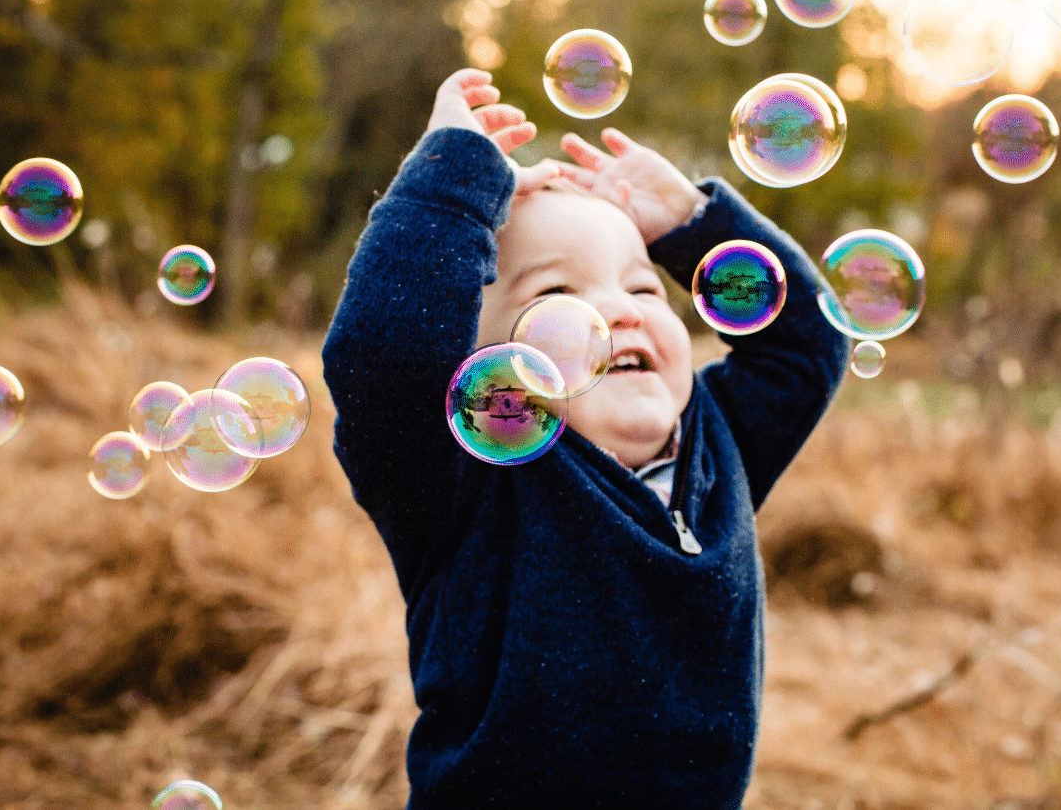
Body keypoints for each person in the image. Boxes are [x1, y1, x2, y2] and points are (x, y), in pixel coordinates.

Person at [321, 68, 849, 809]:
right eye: (556, 295)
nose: (620, 313)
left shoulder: (718, 450)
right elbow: (388, 357)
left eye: (642, 287)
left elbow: (808, 343)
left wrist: (691, 225)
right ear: (480, 374)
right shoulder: (470, 477)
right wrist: (449, 175)